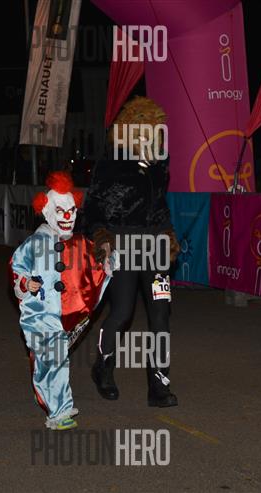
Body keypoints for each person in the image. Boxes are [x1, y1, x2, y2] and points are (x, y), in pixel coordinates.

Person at [81, 96, 180, 408]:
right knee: (122, 312)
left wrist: (168, 233)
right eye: (148, 128)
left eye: (157, 128)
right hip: (123, 244)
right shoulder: (111, 163)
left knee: (161, 313)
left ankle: (159, 385)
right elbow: (93, 207)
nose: (154, 134)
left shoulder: (159, 163)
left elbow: (160, 205)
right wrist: (101, 235)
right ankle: (103, 366)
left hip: (155, 246)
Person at [10, 171, 113, 430]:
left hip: (65, 315)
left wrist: (107, 262)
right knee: (52, 362)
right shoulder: (35, 243)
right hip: (40, 313)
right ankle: (58, 411)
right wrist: (24, 283)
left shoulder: (79, 243)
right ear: (47, 211)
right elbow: (16, 266)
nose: (67, 216)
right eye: (60, 211)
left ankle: (56, 405)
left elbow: (93, 269)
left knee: (54, 361)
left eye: (71, 211)